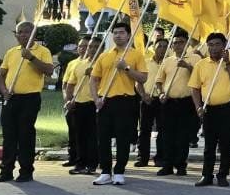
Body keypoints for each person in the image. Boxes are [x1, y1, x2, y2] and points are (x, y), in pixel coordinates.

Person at [88, 21, 149, 186]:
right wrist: (96, 99)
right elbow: (94, 79)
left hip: (125, 100)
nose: (118, 35)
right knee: (103, 138)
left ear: (128, 35)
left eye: (121, 32)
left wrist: (126, 68)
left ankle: (119, 171)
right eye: (115, 33)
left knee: (123, 138)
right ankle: (105, 171)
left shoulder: (136, 55)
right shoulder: (104, 55)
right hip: (105, 100)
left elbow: (143, 78)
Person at [0, 22, 55, 183]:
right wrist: (4, 92)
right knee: (9, 135)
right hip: (11, 98)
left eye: (27, 32)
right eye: (19, 32)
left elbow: (49, 70)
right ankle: (6, 170)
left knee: (25, 134)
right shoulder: (11, 52)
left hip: (30, 98)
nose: (23, 35)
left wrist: (31, 58)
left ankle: (26, 171)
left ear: (34, 34)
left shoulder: (42, 51)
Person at [190, 31, 230, 187]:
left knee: (225, 144)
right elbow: (194, 88)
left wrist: (227, 63)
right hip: (209, 110)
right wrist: (198, 107)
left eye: (217, 44)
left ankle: (222, 175)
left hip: (228, 108)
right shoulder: (201, 64)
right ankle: (206, 175)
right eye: (211, 45)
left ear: (224, 45)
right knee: (209, 145)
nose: (214, 48)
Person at [154, 33, 197, 176]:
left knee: (183, 136)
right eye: (175, 42)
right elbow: (159, 81)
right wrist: (161, 93)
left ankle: (181, 165)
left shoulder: (195, 58)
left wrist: (187, 66)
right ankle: (167, 165)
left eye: (181, 42)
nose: (178, 45)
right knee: (167, 135)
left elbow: (200, 77)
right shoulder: (167, 61)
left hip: (186, 102)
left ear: (187, 44)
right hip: (169, 102)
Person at [62, 35, 99, 176]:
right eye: (90, 47)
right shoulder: (78, 64)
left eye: (96, 47)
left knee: (92, 136)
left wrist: (93, 75)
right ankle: (80, 163)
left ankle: (92, 164)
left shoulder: (103, 64)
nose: (91, 49)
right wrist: (69, 100)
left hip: (95, 104)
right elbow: (70, 84)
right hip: (78, 104)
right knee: (79, 136)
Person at [136, 31, 169, 167]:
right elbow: (138, 82)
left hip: (163, 100)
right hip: (147, 99)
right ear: (154, 47)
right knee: (144, 130)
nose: (162, 49)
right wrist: (143, 95)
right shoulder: (145, 62)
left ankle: (160, 157)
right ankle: (143, 157)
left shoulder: (169, 63)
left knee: (162, 130)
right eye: (159, 46)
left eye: (165, 46)